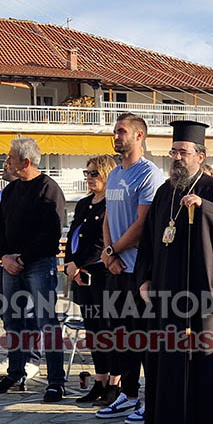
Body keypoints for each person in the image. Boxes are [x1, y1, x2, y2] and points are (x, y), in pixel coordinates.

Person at [136, 120, 213, 424]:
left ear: (200, 155)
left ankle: (204, 423)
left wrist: (205, 209)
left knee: (200, 357)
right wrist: (144, 278)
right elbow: (149, 239)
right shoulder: (164, 192)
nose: (177, 158)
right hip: (165, 292)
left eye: (183, 152)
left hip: (201, 295)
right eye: (173, 152)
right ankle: (166, 422)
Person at [0, 137, 67, 402]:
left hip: (39, 265)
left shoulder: (48, 188)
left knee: (46, 322)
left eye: (11, 157)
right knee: (12, 320)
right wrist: (5, 256)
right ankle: (15, 373)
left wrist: (22, 257)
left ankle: (56, 382)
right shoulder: (10, 191)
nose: (7, 161)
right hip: (10, 266)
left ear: (26, 162)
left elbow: (51, 233)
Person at [97, 113, 165, 423]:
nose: (116, 136)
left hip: (139, 270)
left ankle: (151, 400)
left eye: (122, 131)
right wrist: (108, 253)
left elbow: (143, 223)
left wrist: (115, 250)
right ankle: (128, 394)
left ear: (139, 136)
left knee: (143, 337)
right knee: (121, 336)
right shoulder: (113, 175)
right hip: (116, 268)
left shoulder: (148, 174)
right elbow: (108, 217)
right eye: (115, 131)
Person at [67, 154, 117, 406]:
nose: (89, 177)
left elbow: (101, 242)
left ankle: (114, 384)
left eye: (94, 173)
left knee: (108, 330)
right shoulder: (84, 204)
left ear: (107, 173)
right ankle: (99, 380)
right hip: (82, 275)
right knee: (93, 331)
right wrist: (71, 264)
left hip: (102, 274)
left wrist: (77, 263)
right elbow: (73, 234)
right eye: (86, 173)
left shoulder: (111, 203)